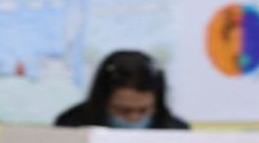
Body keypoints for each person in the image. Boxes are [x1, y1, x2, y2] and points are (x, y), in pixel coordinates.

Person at [54, 50, 189, 130]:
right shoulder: (71, 126)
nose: (134, 118)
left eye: (144, 110)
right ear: (102, 101)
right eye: (123, 110)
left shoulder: (175, 130)